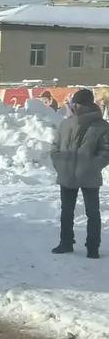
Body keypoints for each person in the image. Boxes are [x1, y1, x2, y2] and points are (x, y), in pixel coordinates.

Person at [50, 87, 109, 259]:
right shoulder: (66, 124)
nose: (73, 106)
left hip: (89, 175)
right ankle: (66, 242)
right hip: (67, 173)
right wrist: (60, 163)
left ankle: (93, 247)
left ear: (85, 104)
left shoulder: (101, 126)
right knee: (66, 211)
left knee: (92, 212)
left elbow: (106, 151)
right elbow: (55, 147)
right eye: (73, 103)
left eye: (76, 103)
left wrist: (92, 166)